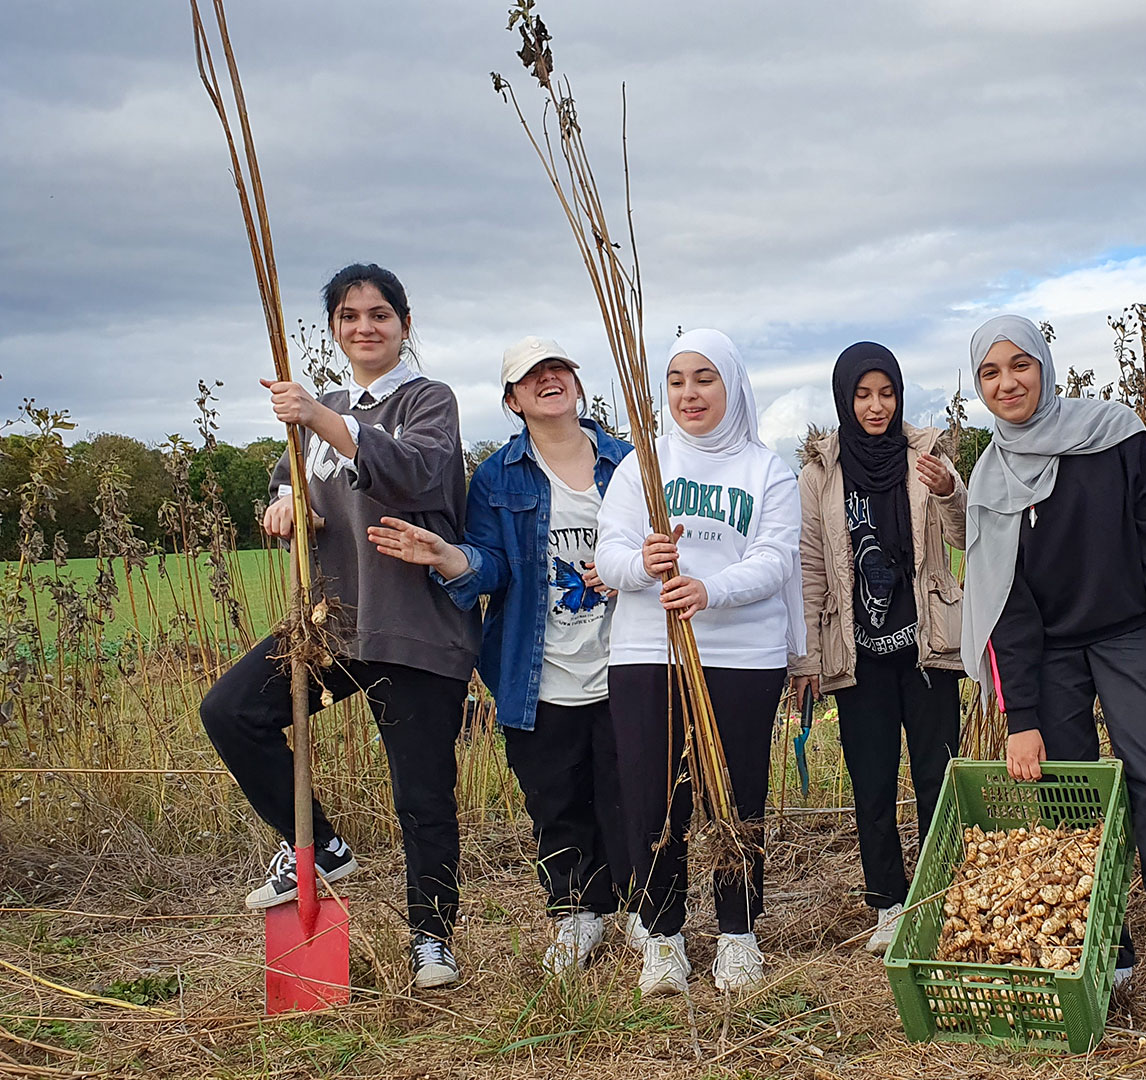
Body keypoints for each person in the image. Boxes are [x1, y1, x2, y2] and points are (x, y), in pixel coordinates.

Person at [199, 263, 479, 990]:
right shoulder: (315, 411)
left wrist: (318, 418)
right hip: (333, 626)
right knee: (230, 710)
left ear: (404, 325)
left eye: (380, 314)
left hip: (414, 629)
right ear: (333, 329)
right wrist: (287, 503)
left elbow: (416, 473)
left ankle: (432, 940)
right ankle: (318, 847)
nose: (365, 326)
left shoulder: (427, 402)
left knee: (422, 795)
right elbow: (291, 482)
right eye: (350, 316)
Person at [961, 314, 1146, 1039]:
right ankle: (1106, 954)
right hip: (1049, 656)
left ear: (1046, 366)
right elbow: (1005, 608)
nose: (1008, 383)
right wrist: (1022, 720)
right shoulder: (990, 479)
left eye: (1020, 365)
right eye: (989, 372)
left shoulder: (1113, 432)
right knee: (1073, 804)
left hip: (1132, 635)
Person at [367, 337, 634, 975]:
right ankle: (576, 914)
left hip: (626, 660)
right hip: (536, 669)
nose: (548, 380)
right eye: (530, 376)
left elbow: (659, 543)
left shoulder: (628, 463)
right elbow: (489, 565)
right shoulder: (496, 477)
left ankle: (642, 911)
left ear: (577, 384)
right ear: (513, 400)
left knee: (629, 793)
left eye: (558, 369)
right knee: (554, 797)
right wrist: (449, 558)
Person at [594, 329, 804, 996]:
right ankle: (663, 938)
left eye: (704, 378)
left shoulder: (767, 470)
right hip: (647, 653)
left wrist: (712, 590)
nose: (689, 393)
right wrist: (644, 565)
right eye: (678, 380)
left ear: (733, 385)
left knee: (736, 796)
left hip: (742, 654)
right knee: (655, 797)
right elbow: (609, 554)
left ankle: (739, 936)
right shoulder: (642, 466)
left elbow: (775, 558)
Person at [792, 342, 967, 955]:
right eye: (863, 395)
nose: (875, 406)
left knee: (938, 777)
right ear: (845, 398)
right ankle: (889, 904)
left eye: (886, 393)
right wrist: (808, 659)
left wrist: (949, 491)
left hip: (927, 646)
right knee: (872, 781)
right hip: (857, 652)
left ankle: (944, 898)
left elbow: (967, 535)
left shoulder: (930, 457)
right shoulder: (820, 475)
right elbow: (812, 566)